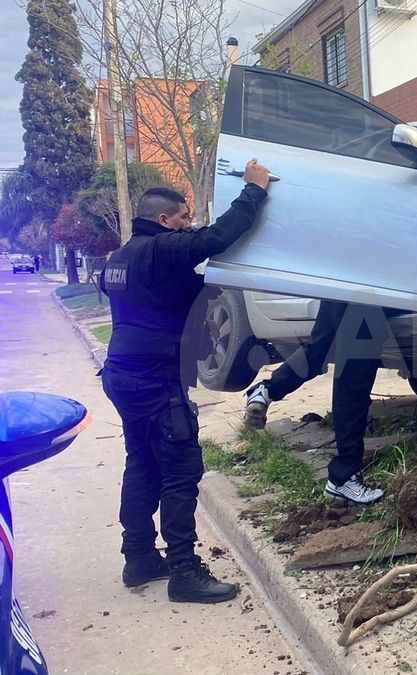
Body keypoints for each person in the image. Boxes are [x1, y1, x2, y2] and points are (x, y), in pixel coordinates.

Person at [99, 161, 271, 604]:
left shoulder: (120, 258)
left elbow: (162, 294)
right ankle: (184, 572)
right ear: (163, 221)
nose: (188, 224)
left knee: (142, 463)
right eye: (182, 218)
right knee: (180, 469)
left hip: (123, 374)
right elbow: (216, 237)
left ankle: (137, 557)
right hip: (155, 378)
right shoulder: (162, 248)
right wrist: (253, 191)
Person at [243, 301, 386, 506]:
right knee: (354, 377)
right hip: (372, 290)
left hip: (340, 282)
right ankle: (343, 477)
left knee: (317, 348)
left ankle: (266, 390)